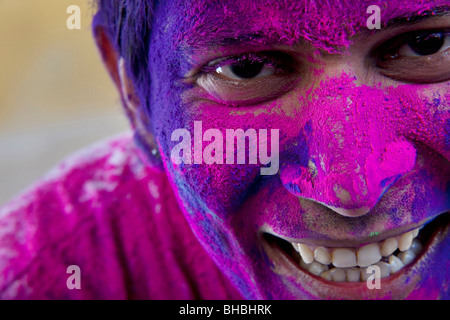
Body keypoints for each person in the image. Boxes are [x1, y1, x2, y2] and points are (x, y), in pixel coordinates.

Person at [0, 0, 448, 300]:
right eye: (246, 69)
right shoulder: (44, 278)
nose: (353, 190)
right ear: (134, 96)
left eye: (426, 44)